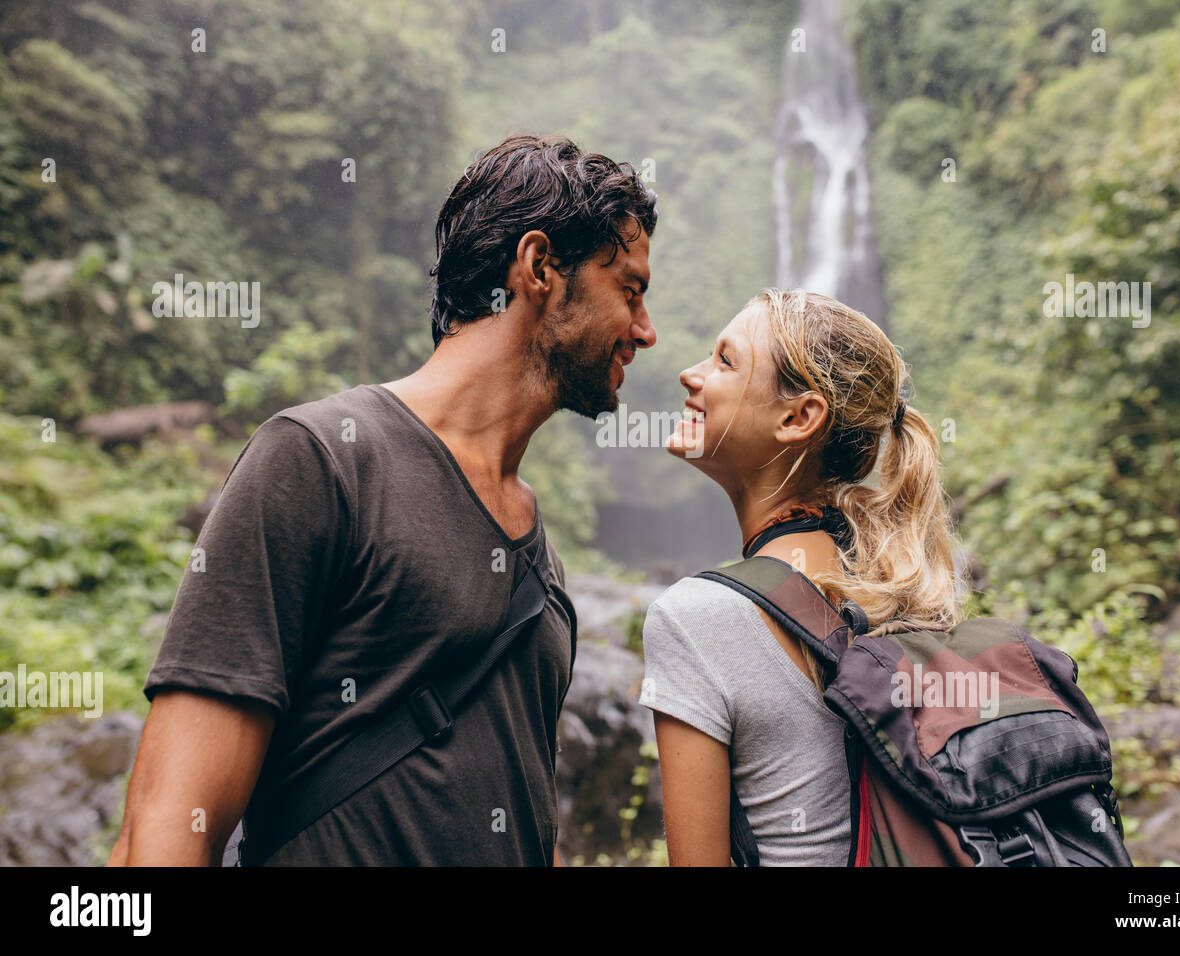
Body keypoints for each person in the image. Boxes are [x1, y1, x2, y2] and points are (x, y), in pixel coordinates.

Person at [108, 133, 658, 866]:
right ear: (538, 267)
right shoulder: (319, 460)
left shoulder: (541, 557)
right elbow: (168, 826)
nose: (645, 331)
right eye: (630, 290)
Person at [640, 287, 959, 865]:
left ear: (798, 417)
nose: (691, 375)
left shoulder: (695, 619)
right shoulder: (899, 586)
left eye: (724, 360)